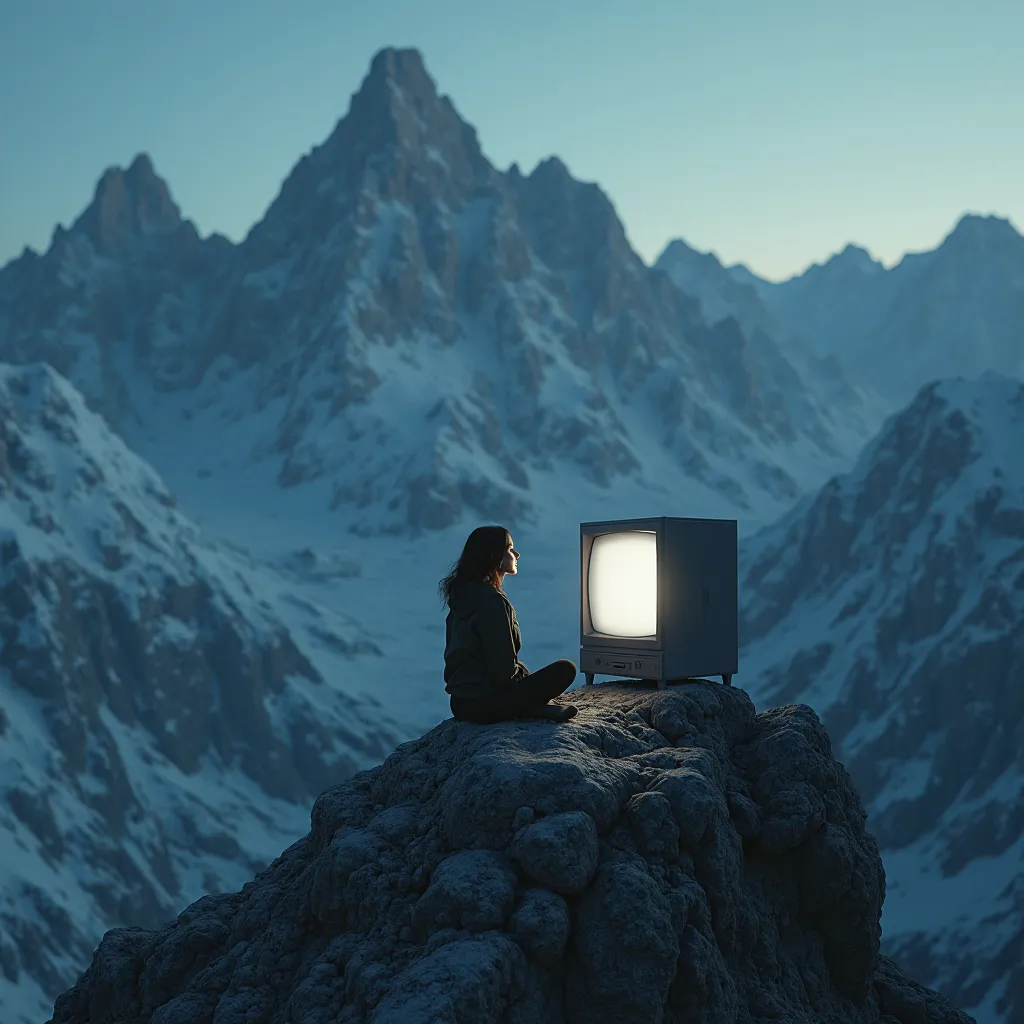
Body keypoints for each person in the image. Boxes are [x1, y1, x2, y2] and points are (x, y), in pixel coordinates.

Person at [439, 525, 578, 723]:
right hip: (486, 704)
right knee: (566, 669)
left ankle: (529, 708)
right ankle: (530, 709)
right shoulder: (491, 601)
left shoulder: (462, 595)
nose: (516, 554)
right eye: (510, 549)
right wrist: (525, 684)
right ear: (495, 556)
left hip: (460, 704)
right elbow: (502, 673)